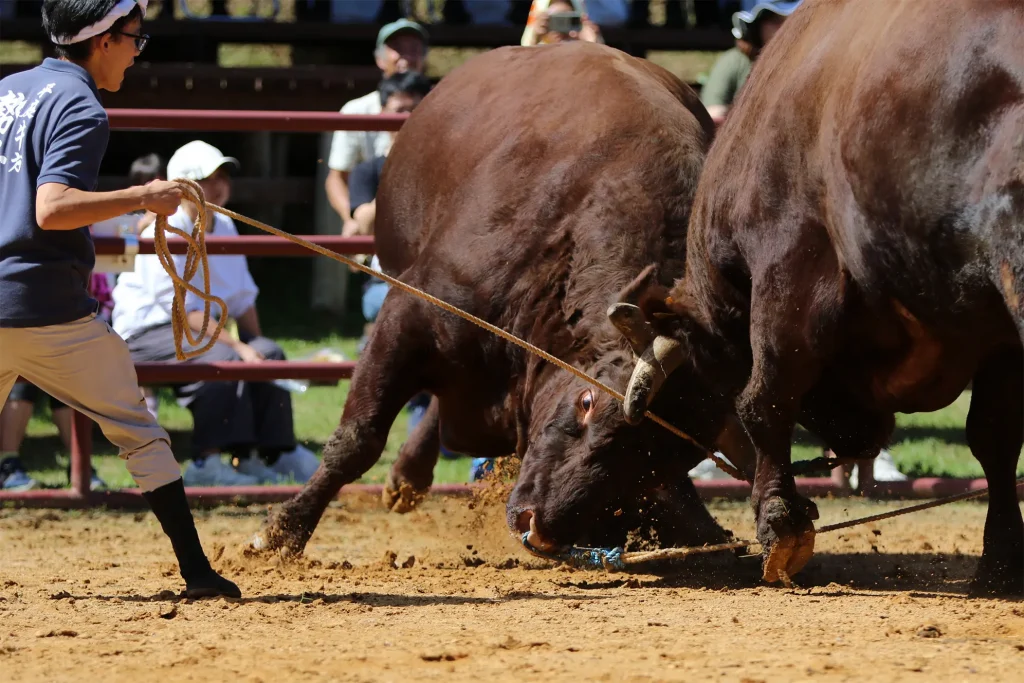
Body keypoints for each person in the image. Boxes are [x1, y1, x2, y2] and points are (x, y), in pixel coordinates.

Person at [0, 0, 238, 598]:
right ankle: (197, 574)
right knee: (138, 429)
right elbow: (50, 209)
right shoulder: (81, 105)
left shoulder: (9, 89)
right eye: (136, 38)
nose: (139, 51)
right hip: (44, 307)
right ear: (103, 40)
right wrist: (142, 197)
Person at [111, 140, 321, 487]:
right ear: (184, 186)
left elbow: (241, 296)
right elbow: (182, 311)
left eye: (223, 176)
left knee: (270, 353)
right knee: (225, 357)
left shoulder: (223, 225)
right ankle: (206, 462)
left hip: (193, 330)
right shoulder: (163, 229)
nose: (220, 185)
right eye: (208, 178)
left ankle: (271, 452)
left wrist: (257, 344)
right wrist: (241, 348)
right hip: (145, 332)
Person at [325, 19, 428, 238]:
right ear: (380, 59)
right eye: (398, 49)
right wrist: (353, 219)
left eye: (414, 49)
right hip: (375, 208)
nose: (407, 56)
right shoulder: (356, 111)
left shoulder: (446, 106)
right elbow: (337, 176)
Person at [700, 0, 802, 122]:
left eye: (792, 19)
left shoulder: (806, 63)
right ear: (757, 26)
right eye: (774, 20)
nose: (783, 26)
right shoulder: (735, 61)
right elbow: (713, 113)